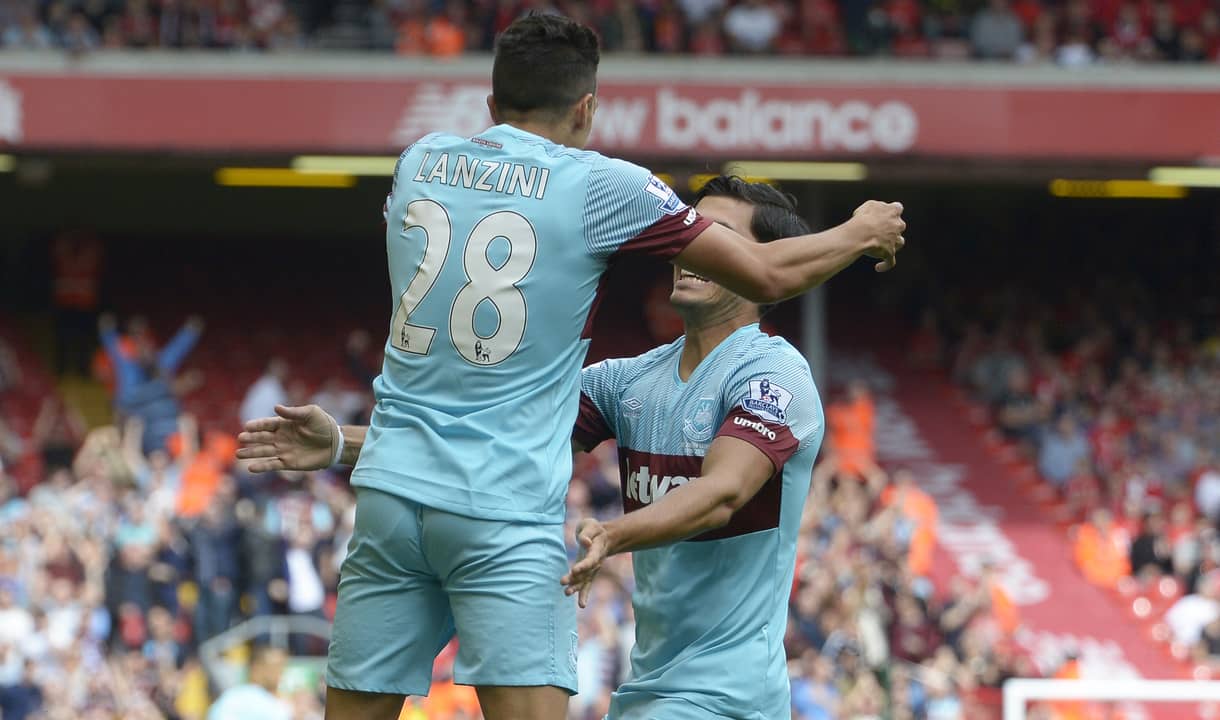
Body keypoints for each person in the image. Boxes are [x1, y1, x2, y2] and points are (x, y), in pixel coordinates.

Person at [237, 13, 906, 720]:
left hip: (390, 499)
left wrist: (346, 443)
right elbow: (767, 274)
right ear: (586, 109)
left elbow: (717, 488)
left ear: (491, 107)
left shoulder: (419, 162)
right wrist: (862, 230)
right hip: (500, 514)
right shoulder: (605, 191)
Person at [562, 175, 825, 718]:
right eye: (689, 230)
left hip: (727, 699)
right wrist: (346, 444)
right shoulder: (627, 383)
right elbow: (503, 439)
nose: (691, 246)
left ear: (761, 266)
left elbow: (723, 493)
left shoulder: (774, 374)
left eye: (717, 235)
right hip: (647, 692)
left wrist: (613, 534)